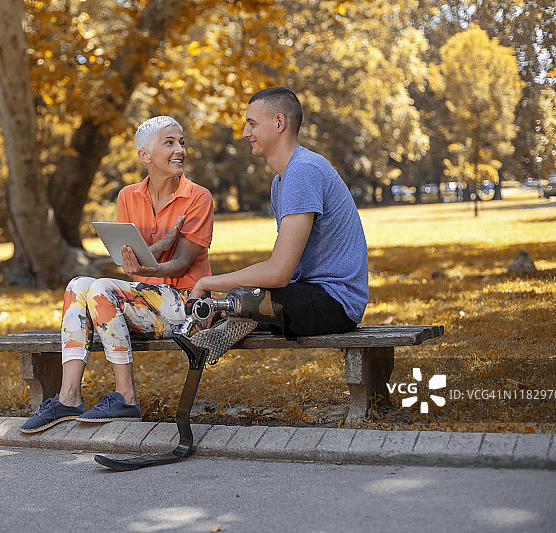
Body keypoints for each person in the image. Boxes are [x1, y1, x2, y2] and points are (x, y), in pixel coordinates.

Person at [20, 116, 214, 433]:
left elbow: (180, 264)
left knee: (100, 289)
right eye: (170, 142)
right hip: (144, 307)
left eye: (181, 142)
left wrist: (149, 262)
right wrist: (159, 246)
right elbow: (131, 262)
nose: (180, 149)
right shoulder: (127, 197)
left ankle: (126, 397)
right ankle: (68, 397)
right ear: (145, 155)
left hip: (185, 307)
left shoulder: (198, 197)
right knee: (77, 285)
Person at [191, 86, 367, 344]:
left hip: (335, 302)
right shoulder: (282, 180)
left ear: (279, 122)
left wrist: (207, 283)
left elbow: (279, 273)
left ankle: (211, 339)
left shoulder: (302, 171)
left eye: (252, 124)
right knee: (236, 301)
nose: (245, 133)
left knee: (239, 302)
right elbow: (285, 270)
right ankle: (220, 328)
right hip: (311, 293)